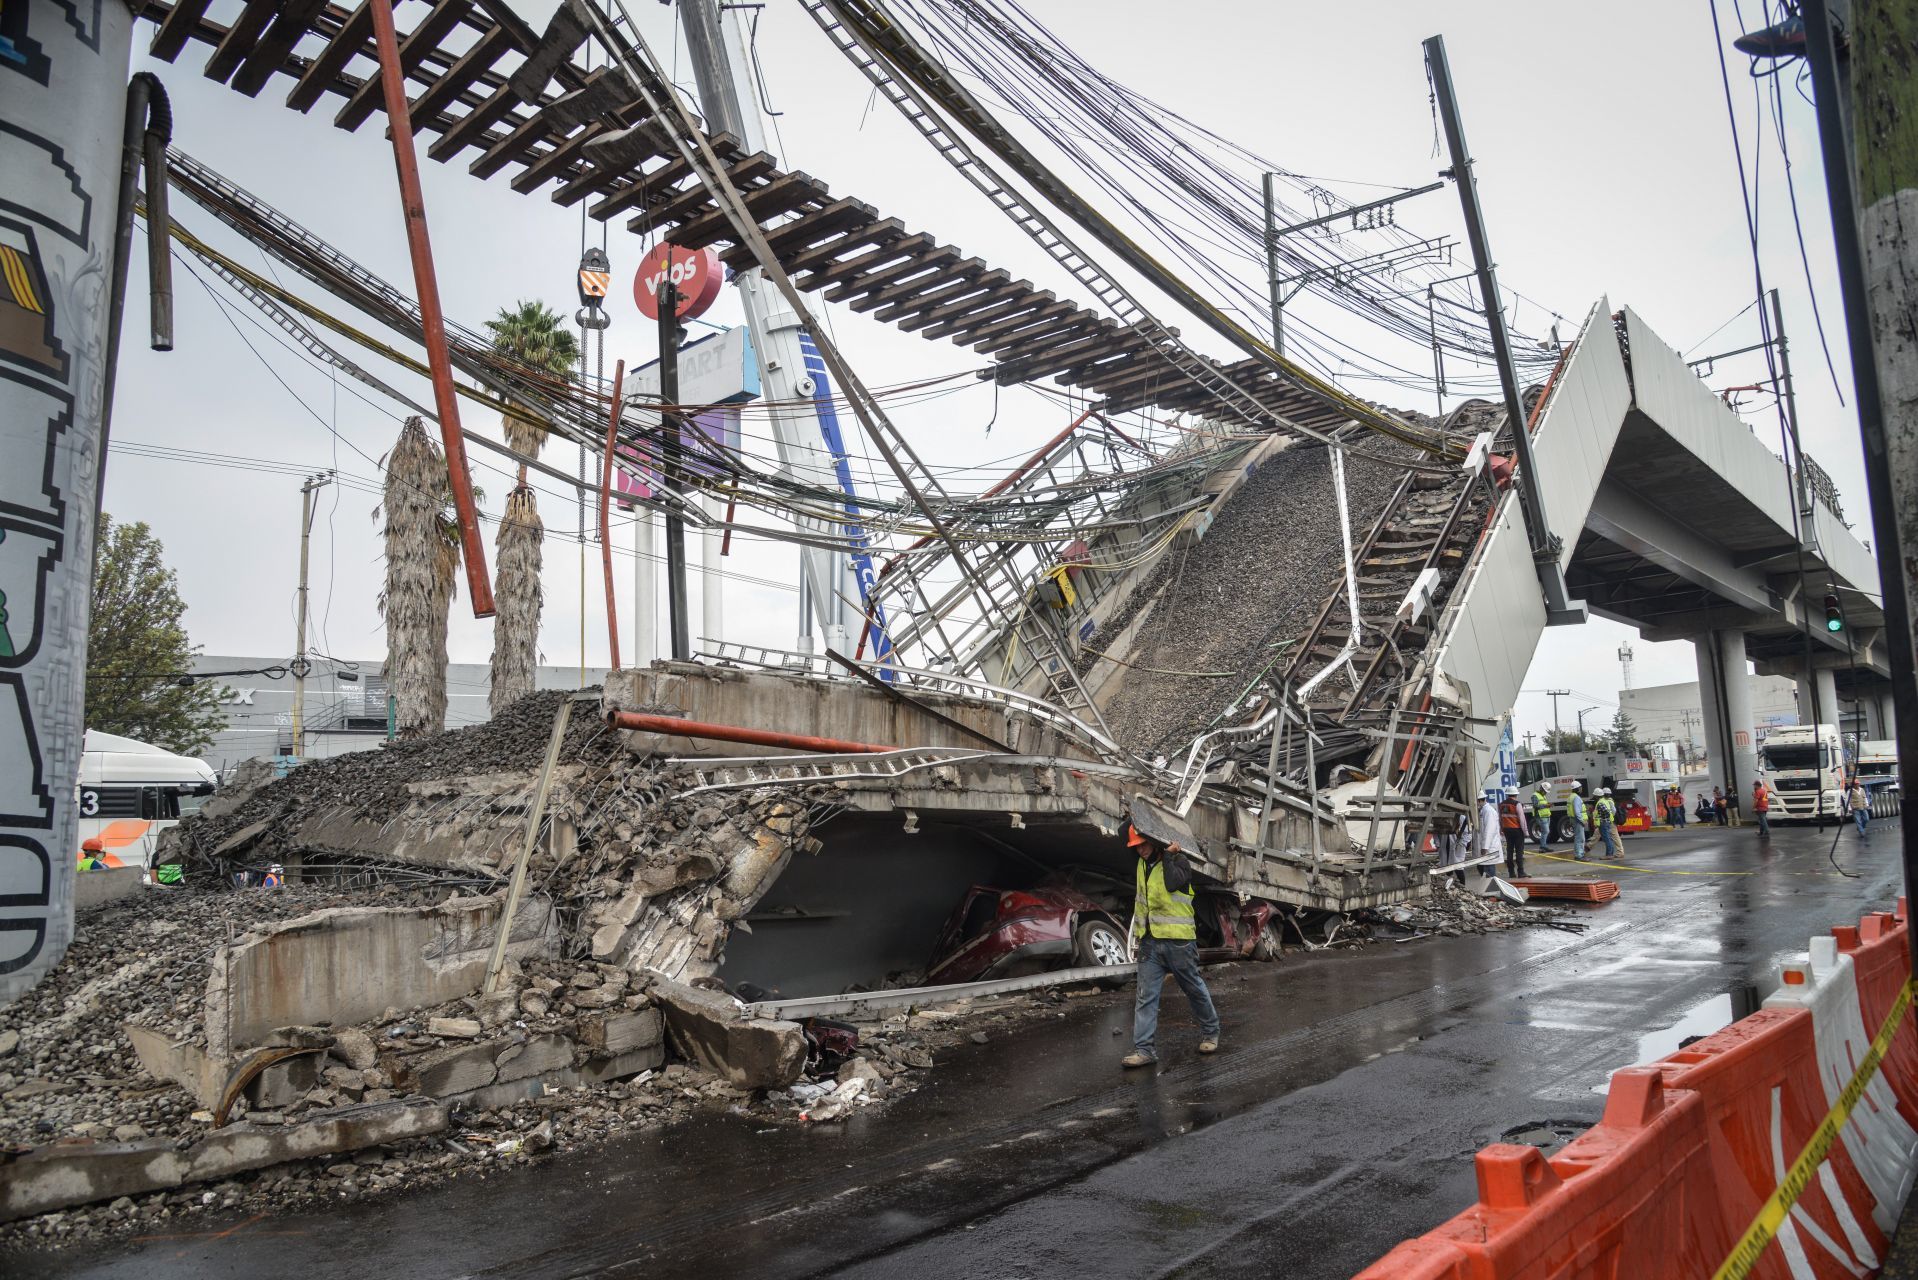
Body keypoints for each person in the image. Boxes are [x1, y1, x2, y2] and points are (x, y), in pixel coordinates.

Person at [1122, 823, 1219, 1068]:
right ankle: (1144, 1050)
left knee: (1193, 988)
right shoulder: (1141, 865)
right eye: (1137, 847)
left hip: (1179, 941)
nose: (1140, 851)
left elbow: (1172, 884)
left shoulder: (1180, 863)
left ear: (1155, 842)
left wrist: (1168, 854)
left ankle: (1211, 1032)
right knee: (1145, 997)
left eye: (1143, 845)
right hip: (1151, 941)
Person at [1499, 789, 1528, 879]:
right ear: (1516, 794)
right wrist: (1525, 831)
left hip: (1507, 830)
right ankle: (1521, 872)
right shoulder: (1517, 804)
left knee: (1509, 851)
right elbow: (1522, 819)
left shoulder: (1501, 804)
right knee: (1519, 851)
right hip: (1517, 830)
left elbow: (1500, 818)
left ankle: (1511, 872)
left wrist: (1502, 828)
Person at [1477, 791, 1502, 878]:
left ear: (1479, 801)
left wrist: (1485, 847)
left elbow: (1489, 831)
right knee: (1481, 867)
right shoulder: (1483, 810)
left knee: (1489, 872)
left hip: (1489, 847)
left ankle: (1492, 889)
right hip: (1486, 846)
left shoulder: (1488, 811)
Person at [1593, 787, 1621, 861]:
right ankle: (1610, 854)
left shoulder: (1600, 803)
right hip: (1607, 822)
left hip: (1604, 822)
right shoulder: (1605, 801)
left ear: (1597, 796)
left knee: (1607, 839)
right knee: (1608, 838)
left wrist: (1603, 818)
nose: (1594, 797)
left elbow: (1606, 812)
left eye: (1595, 796)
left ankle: (1609, 854)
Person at [1565, 781, 1588, 861]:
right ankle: (1579, 855)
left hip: (1573, 819)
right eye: (1580, 788)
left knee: (1577, 837)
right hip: (1577, 820)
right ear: (1577, 789)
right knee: (1580, 838)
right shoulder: (1576, 798)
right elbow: (1577, 811)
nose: (1581, 789)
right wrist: (1582, 821)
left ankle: (1578, 854)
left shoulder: (1571, 796)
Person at [1530, 784, 1554, 852]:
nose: (1546, 792)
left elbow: (1542, 804)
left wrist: (1548, 805)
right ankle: (1542, 847)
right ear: (1541, 789)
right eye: (1545, 791)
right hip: (1540, 816)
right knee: (1545, 831)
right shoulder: (1535, 795)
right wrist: (1546, 805)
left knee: (1545, 831)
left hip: (1546, 815)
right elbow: (1536, 805)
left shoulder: (1543, 795)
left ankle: (1544, 846)